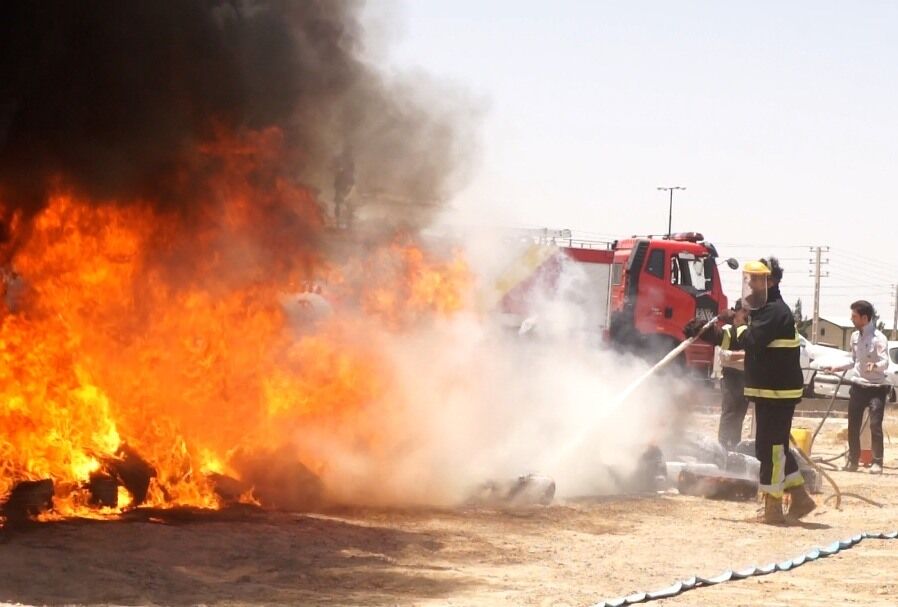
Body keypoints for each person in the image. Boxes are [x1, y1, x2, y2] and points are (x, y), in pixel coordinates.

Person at [689, 257, 816, 523]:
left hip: (777, 392)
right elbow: (742, 337)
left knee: (770, 450)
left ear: (772, 281)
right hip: (770, 390)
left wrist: (728, 327)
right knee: (776, 446)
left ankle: (772, 508)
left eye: (758, 280)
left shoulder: (774, 312)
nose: (752, 285)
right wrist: (710, 334)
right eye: (751, 280)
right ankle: (801, 498)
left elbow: (752, 340)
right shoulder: (766, 310)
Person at [824, 300, 890, 474]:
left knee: (875, 425)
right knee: (853, 426)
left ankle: (877, 463)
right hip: (858, 386)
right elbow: (853, 360)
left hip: (876, 388)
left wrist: (874, 366)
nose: (851, 319)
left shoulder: (879, 338)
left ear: (864, 318)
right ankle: (853, 461)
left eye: (854, 316)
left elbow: (885, 362)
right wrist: (837, 367)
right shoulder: (854, 337)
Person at [715, 299, 749, 450]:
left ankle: (734, 447)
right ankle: (722, 448)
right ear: (738, 312)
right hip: (730, 378)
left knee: (740, 415)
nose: (748, 314)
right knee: (729, 413)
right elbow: (723, 355)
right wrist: (742, 355)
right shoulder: (728, 330)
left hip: (745, 379)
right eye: (745, 311)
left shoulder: (750, 332)